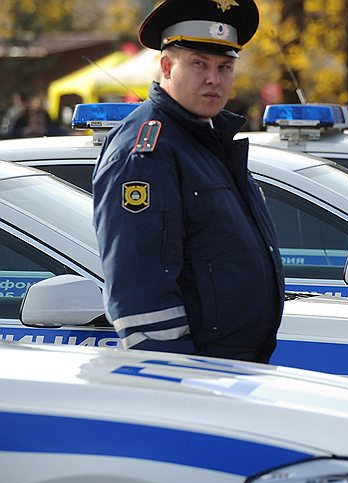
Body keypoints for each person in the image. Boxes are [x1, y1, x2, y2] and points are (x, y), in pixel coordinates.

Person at [92, 0, 285, 363]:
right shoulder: (147, 150)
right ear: (166, 67)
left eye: (224, 67)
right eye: (199, 64)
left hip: (230, 366)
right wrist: (175, 373)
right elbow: (138, 283)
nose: (214, 79)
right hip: (196, 371)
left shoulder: (207, 138)